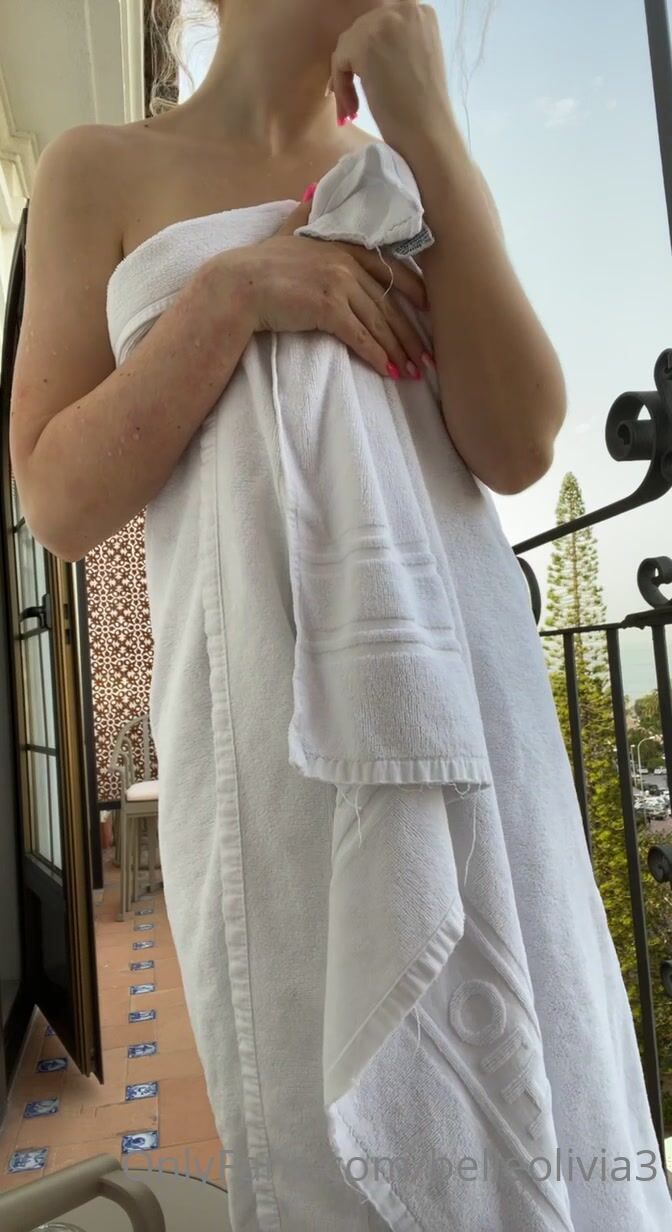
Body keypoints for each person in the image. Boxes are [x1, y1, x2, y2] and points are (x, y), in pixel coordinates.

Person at [9, 3, 670, 1230]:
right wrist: (235, 293)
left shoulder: (411, 162)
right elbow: (56, 495)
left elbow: (518, 440)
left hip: (469, 719)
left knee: (541, 1077)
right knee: (320, 1130)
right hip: (266, 741)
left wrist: (430, 128)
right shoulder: (98, 169)